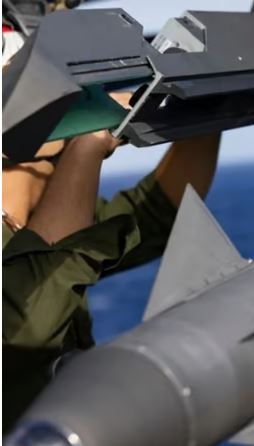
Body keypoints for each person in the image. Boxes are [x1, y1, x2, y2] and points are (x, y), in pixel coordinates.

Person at [2, 90, 222, 429]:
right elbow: (27, 325)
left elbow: (156, 215)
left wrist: (204, 105)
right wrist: (87, 143)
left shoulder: (34, 217)